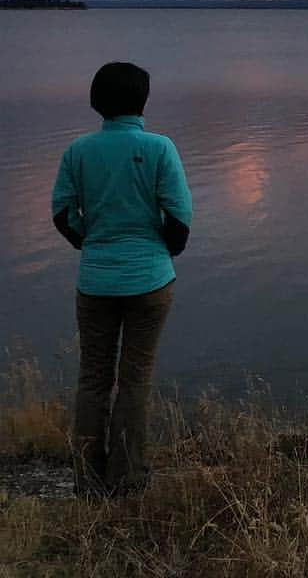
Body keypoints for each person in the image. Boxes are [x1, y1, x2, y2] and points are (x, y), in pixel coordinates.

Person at [51, 62, 193, 498]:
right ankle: (127, 477)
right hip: (150, 281)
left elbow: (62, 213)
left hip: (95, 280)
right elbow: (180, 218)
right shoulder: (159, 148)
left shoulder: (78, 150)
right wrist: (159, 251)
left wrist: (88, 242)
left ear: (98, 101)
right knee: (135, 379)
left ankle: (86, 478)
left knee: (93, 377)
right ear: (142, 101)